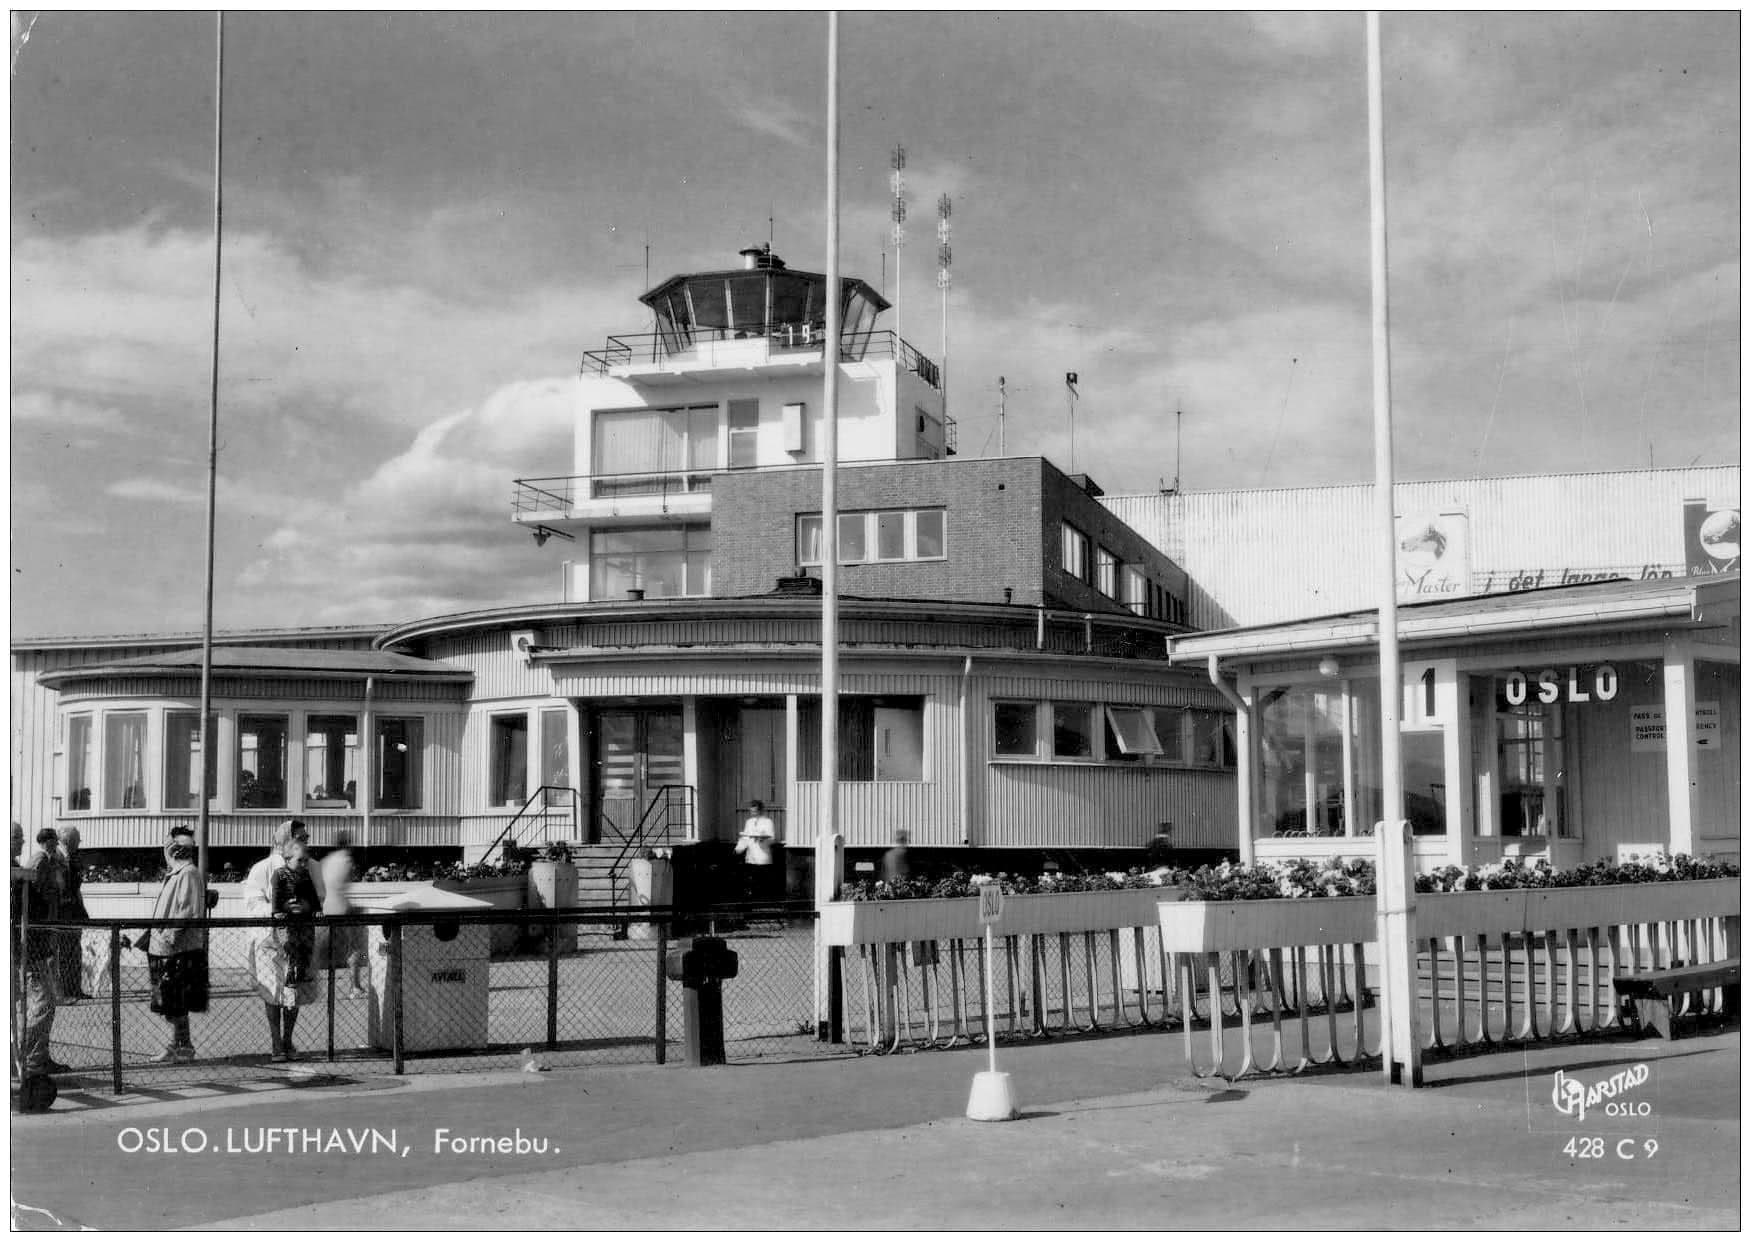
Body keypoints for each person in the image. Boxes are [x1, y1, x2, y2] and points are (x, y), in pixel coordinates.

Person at [244, 820, 326, 1062]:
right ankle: (276, 1042)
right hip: (270, 939)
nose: (305, 840)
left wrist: (304, 907)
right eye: (300, 836)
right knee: (272, 990)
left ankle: (288, 1039)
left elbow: (320, 895)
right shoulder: (264, 867)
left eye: (306, 836)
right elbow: (252, 900)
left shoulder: (312, 866)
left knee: (294, 989)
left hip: (300, 937)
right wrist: (276, 909)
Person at [141, 831, 208, 1062]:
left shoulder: (187, 873)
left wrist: (169, 935)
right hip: (164, 948)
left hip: (176, 949)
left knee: (174, 1001)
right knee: (169, 1002)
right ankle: (179, 1044)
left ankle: (183, 1045)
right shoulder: (177, 873)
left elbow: (186, 909)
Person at [16, 826, 68, 1080]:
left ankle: (36, 1056)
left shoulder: (49, 860)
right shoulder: (35, 862)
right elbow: (35, 895)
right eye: (16, 838)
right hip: (31, 943)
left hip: (39, 937)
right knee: (43, 1001)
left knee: (37, 1000)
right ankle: (29, 1057)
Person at [320, 830, 365, 997]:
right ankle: (355, 986)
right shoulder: (347, 860)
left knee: (326, 949)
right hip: (342, 909)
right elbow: (343, 887)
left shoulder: (326, 861)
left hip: (325, 908)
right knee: (354, 948)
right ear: (348, 844)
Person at [55, 826, 90, 1000]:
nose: (79, 844)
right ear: (68, 841)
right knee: (63, 952)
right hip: (62, 914)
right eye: (77, 841)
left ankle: (75, 988)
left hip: (74, 913)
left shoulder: (74, 858)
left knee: (75, 951)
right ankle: (63, 992)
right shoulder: (55, 858)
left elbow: (76, 888)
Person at [734, 801, 777, 902]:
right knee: (751, 880)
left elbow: (772, 838)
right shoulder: (749, 822)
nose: (753, 813)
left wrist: (763, 839)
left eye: (755, 811)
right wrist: (738, 848)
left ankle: (764, 902)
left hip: (763, 855)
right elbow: (745, 837)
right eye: (751, 811)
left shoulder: (768, 822)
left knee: (763, 880)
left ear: (761, 810)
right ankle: (753, 901)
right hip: (751, 855)